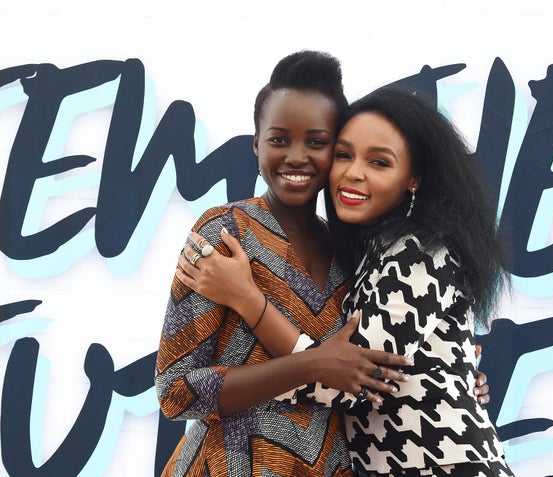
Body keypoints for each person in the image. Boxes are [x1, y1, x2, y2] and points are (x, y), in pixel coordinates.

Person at [157, 51, 489, 477]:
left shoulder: (352, 253)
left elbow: (375, 367)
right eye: (279, 139)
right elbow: (175, 393)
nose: (297, 156)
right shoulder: (225, 235)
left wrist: (453, 372)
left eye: (317, 142)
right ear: (256, 144)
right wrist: (310, 364)